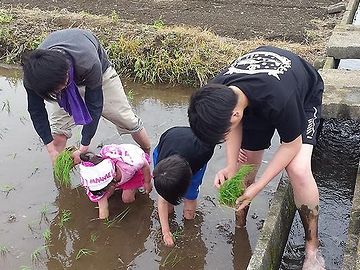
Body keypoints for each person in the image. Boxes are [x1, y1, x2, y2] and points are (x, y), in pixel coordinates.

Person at [188, 46, 325, 270]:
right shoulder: (216, 93)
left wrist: (259, 186)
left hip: (302, 93)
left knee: (298, 170)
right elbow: (232, 127)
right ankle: (240, 225)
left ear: (235, 115)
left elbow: (290, 145)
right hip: (253, 99)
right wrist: (231, 167)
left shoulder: (280, 98)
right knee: (245, 165)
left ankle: (312, 246)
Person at [22, 28, 150, 164]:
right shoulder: (33, 77)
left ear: (66, 73)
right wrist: (50, 147)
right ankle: (59, 173)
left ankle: (147, 153)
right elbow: (36, 111)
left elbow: (95, 104)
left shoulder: (88, 61)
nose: (64, 87)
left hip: (99, 75)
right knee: (59, 132)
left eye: (64, 84)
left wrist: (84, 145)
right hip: (57, 77)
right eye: (57, 90)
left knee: (128, 121)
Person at [152, 126, 214, 246]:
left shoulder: (203, 152)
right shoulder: (161, 169)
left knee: (190, 201)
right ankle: (168, 213)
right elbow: (162, 199)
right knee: (166, 200)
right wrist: (166, 232)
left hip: (195, 155)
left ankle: (189, 218)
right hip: (166, 147)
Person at [79, 144, 152, 219]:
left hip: (134, 172)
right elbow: (102, 208)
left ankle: (135, 193)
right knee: (105, 197)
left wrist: (147, 182)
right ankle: (114, 188)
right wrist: (103, 224)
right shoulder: (94, 177)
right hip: (117, 177)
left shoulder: (132, 164)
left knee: (127, 199)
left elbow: (145, 164)